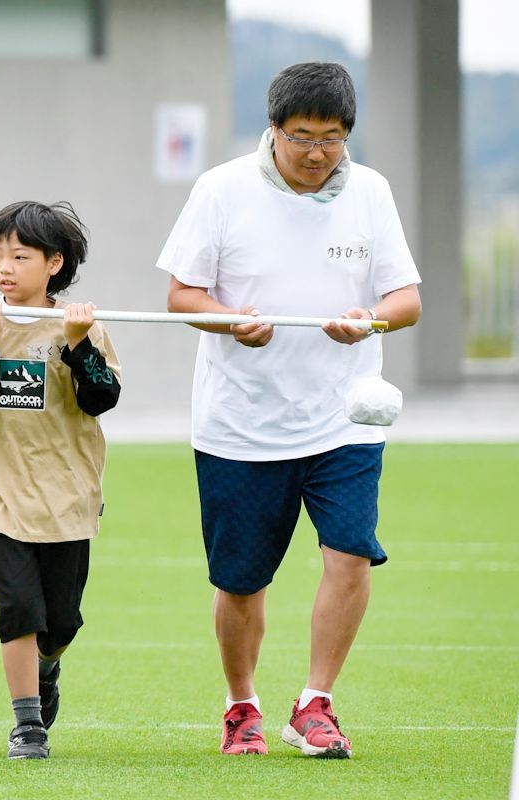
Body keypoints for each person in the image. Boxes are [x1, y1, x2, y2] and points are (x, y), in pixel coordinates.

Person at [156, 61, 422, 758]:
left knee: (351, 556)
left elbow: (406, 300)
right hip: (240, 424)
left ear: (347, 136)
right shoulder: (221, 189)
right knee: (242, 583)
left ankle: (315, 703)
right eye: (302, 136)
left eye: (331, 138)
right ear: (273, 130)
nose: (315, 153)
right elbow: (183, 297)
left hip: (346, 420)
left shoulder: (370, 191)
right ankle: (241, 705)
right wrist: (228, 319)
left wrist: (370, 322)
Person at [0, 201, 121, 760]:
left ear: (54, 264)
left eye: (20, 256)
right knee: (19, 606)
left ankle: (46, 671)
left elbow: (103, 398)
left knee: (60, 622)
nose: (5, 268)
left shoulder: (80, 325)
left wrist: (79, 344)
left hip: (67, 495)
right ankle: (28, 726)